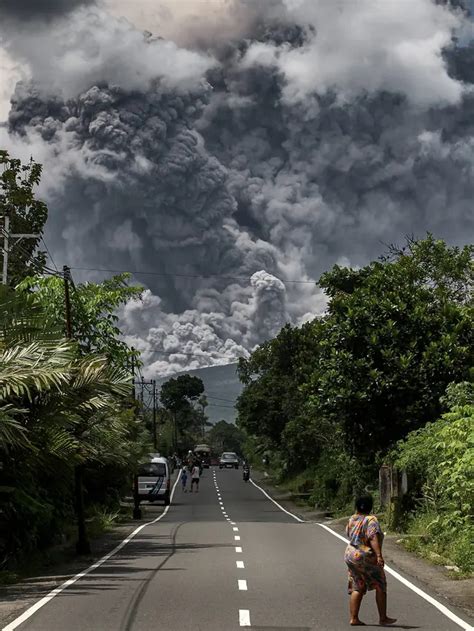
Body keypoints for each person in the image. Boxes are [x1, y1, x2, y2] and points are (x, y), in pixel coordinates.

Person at [344, 494, 396, 627]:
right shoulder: (371, 520)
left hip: (350, 553)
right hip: (364, 554)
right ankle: (383, 618)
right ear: (370, 506)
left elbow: (349, 534)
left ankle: (354, 618)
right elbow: (372, 537)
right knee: (380, 584)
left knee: (358, 584)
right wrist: (378, 555)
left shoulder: (352, 519)